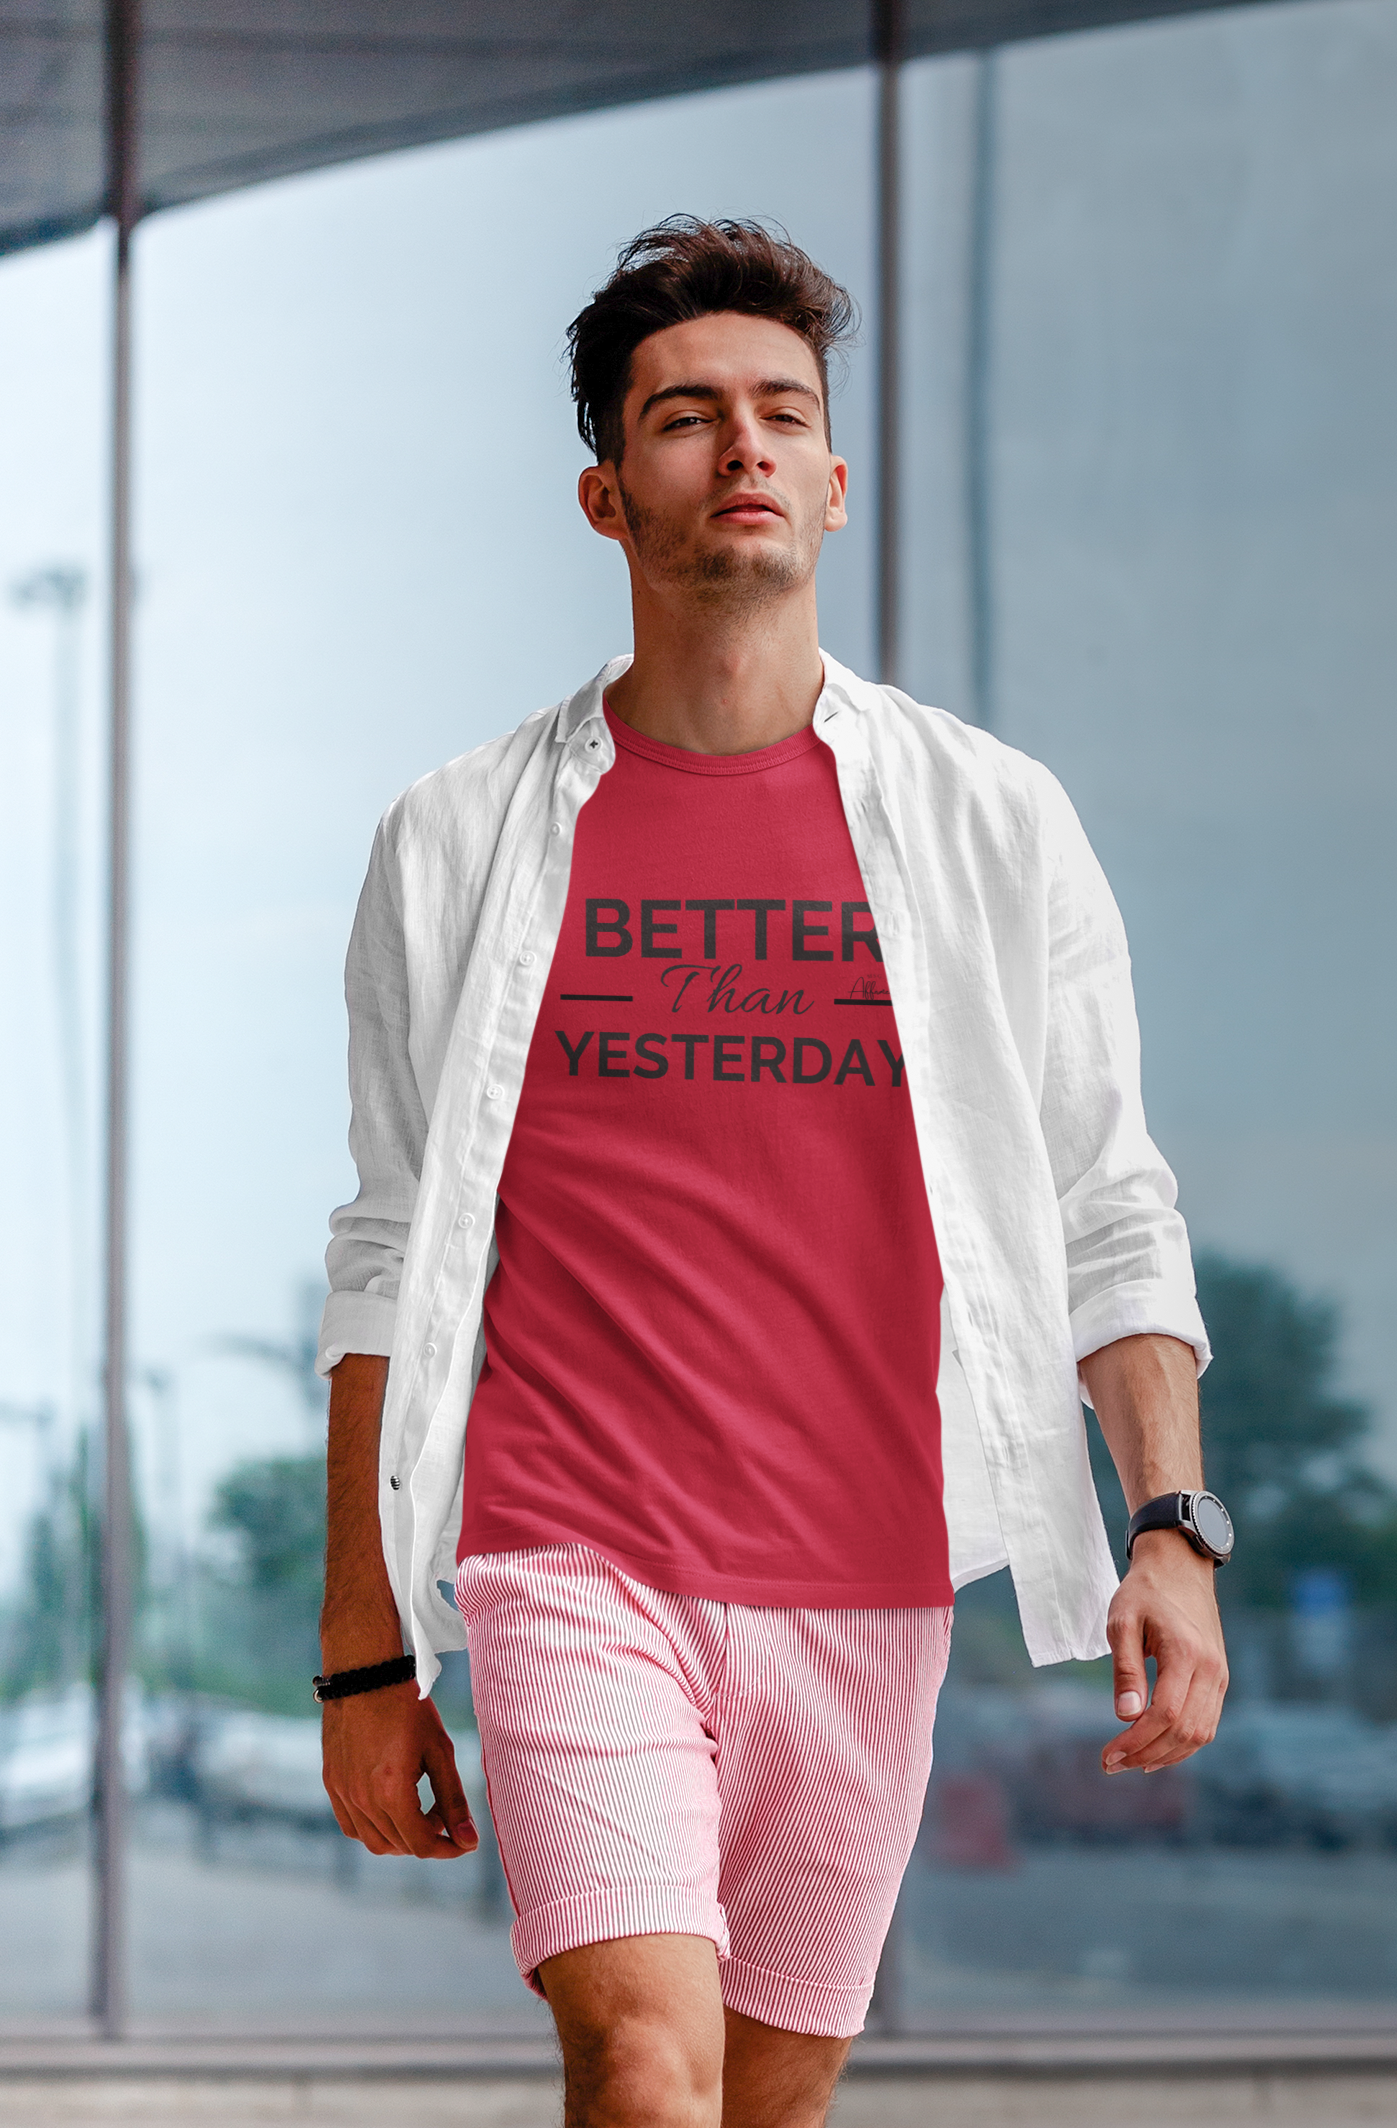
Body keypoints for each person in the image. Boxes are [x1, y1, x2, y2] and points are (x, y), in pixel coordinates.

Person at [316, 218, 1229, 2128]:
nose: (738, 444)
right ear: (603, 490)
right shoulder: (462, 839)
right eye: (682, 416)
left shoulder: (991, 824)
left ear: (828, 477)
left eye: (778, 411)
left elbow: (1105, 1204)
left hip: (867, 1569)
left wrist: (1174, 1526)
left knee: (769, 2096)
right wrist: (361, 1647)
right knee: (643, 2066)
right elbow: (395, 1241)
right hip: (569, 1548)